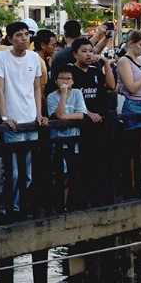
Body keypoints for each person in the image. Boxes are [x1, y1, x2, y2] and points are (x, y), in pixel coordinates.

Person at [0, 22, 47, 217]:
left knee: (27, 172)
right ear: (10, 38)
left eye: (26, 34)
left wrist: (39, 114)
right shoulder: (1, 57)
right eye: (19, 35)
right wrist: (5, 116)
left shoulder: (34, 58)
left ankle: (18, 205)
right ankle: (7, 207)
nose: (24, 38)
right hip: (14, 121)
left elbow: (37, 88)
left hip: (30, 120)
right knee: (13, 170)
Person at [46, 64, 96, 209]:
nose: (65, 81)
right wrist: (62, 95)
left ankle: (69, 204)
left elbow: (81, 114)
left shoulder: (77, 94)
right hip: (58, 141)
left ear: (73, 81)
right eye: (61, 78)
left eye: (68, 78)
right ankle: (59, 204)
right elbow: (59, 115)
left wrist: (66, 117)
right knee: (62, 173)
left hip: (74, 141)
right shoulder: (51, 97)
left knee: (74, 173)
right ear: (55, 80)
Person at [70, 38, 117, 118]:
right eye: (84, 51)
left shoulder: (95, 70)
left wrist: (106, 63)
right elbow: (69, 98)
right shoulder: (69, 71)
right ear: (75, 54)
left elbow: (111, 85)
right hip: (80, 117)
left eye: (91, 51)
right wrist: (87, 113)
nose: (89, 54)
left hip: (99, 116)